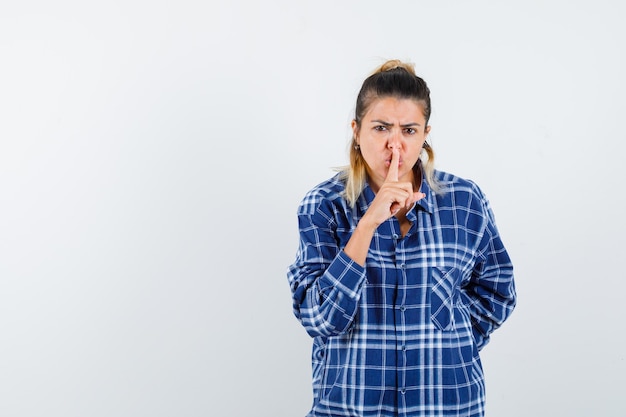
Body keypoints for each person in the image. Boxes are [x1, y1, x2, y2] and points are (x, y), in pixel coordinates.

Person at [286, 59, 517, 417]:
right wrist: (367, 226)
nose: (395, 147)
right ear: (356, 131)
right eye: (381, 128)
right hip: (350, 407)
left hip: (447, 406)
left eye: (409, 131)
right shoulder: (325, 206)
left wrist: (453, 340)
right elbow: (320, 319)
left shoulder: (464, 201)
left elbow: (498, 291)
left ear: (425, 134)